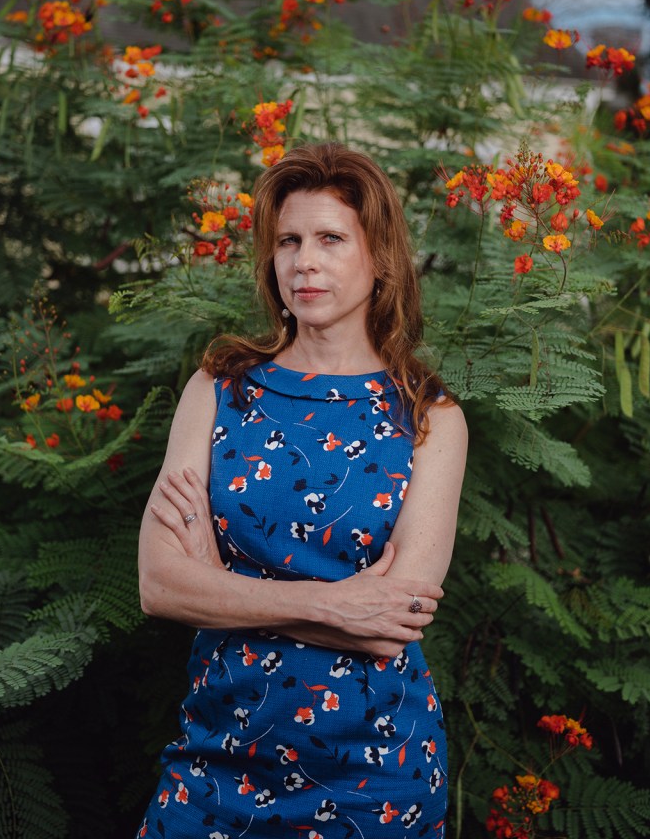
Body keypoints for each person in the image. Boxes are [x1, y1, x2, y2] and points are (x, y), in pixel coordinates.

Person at [136, 142, 468, 839]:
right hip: (215, 758)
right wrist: (337, 602)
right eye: (288, 240)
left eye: (330, 239)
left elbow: (392, 626)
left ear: (378, 258)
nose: (303, 261)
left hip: (375, 773)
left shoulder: (429, 416)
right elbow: (161, 585)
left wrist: (222, 586)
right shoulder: (218, 388)